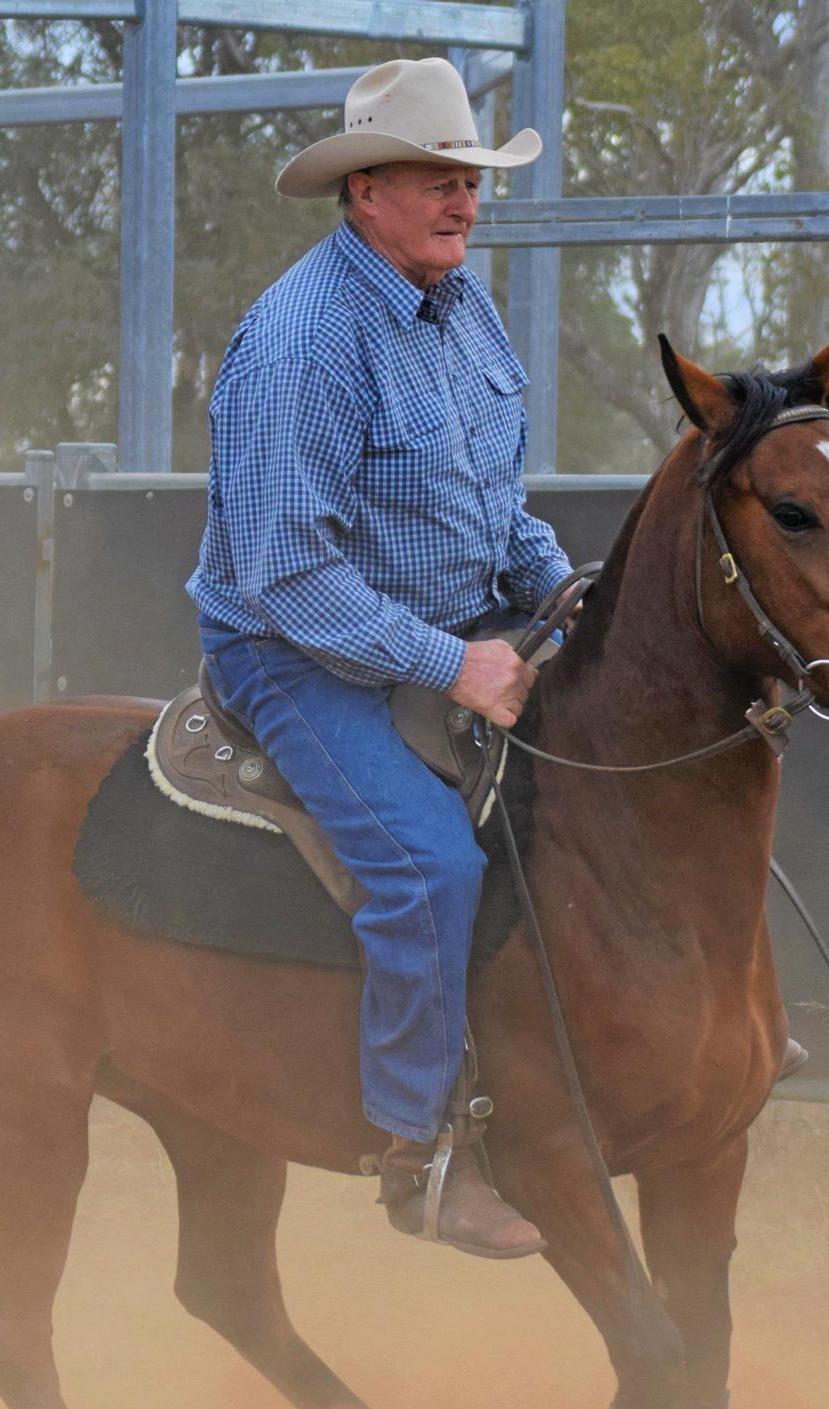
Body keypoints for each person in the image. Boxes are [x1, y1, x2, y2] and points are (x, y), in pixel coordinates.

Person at [187, 57, 571, 1260]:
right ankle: (422, 1154)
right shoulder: (303, 341)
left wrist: (560, 595)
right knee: (427, 867)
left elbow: (490, 505)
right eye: (435, 178)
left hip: (451, 627)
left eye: (469, 177)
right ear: (362, 193)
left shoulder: (466, 308)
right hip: (295, 654)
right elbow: (292, 580)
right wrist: (455, 667)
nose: (463, 199)